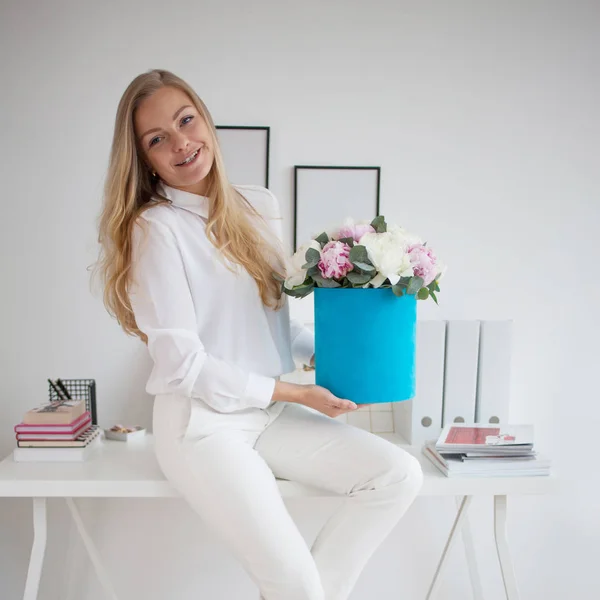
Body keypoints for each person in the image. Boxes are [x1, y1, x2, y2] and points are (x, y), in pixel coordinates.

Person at [95, 68, 423, 600]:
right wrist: (299, 394)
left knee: (397, 477)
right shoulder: (154, 229)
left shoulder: (258, 205)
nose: (181, 143)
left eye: (186, 120)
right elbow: (183, 365)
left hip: (266, 413)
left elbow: (274, 321)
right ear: (144, 159)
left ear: (205, 118)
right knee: (295, 586)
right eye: (158, 139)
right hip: (201, 427)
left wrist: (347, 357)